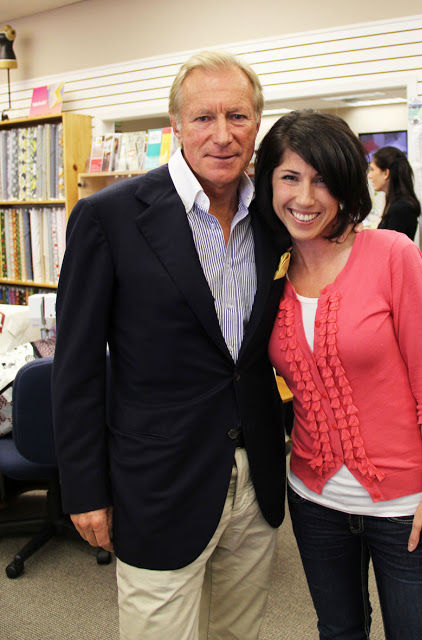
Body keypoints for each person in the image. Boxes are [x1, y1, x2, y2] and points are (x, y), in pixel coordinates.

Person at [51, 50, 289, 640]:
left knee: (240, 632)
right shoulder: (110, 217)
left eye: (237, 115)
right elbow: (76, 366)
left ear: (257, 123)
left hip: (257, 477)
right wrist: (84, 490)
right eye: (203, 118)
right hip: (156, 480)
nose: (222, 134)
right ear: (175, 126)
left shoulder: (277, 218)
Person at [254, 110, 422, 640]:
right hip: (314, 499)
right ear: (269, 183)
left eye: (321, 179)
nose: (305, 197)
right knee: (340, 631)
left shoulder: (393, 254)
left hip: (405, 505)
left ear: (345, 182)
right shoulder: (270, 270)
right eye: (290, 177)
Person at [368, 145, 420, 240]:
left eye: (372, 170)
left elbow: (390, 250)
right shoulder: (395, 205)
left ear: (385, 173)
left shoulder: (401, 209)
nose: (369, 176)